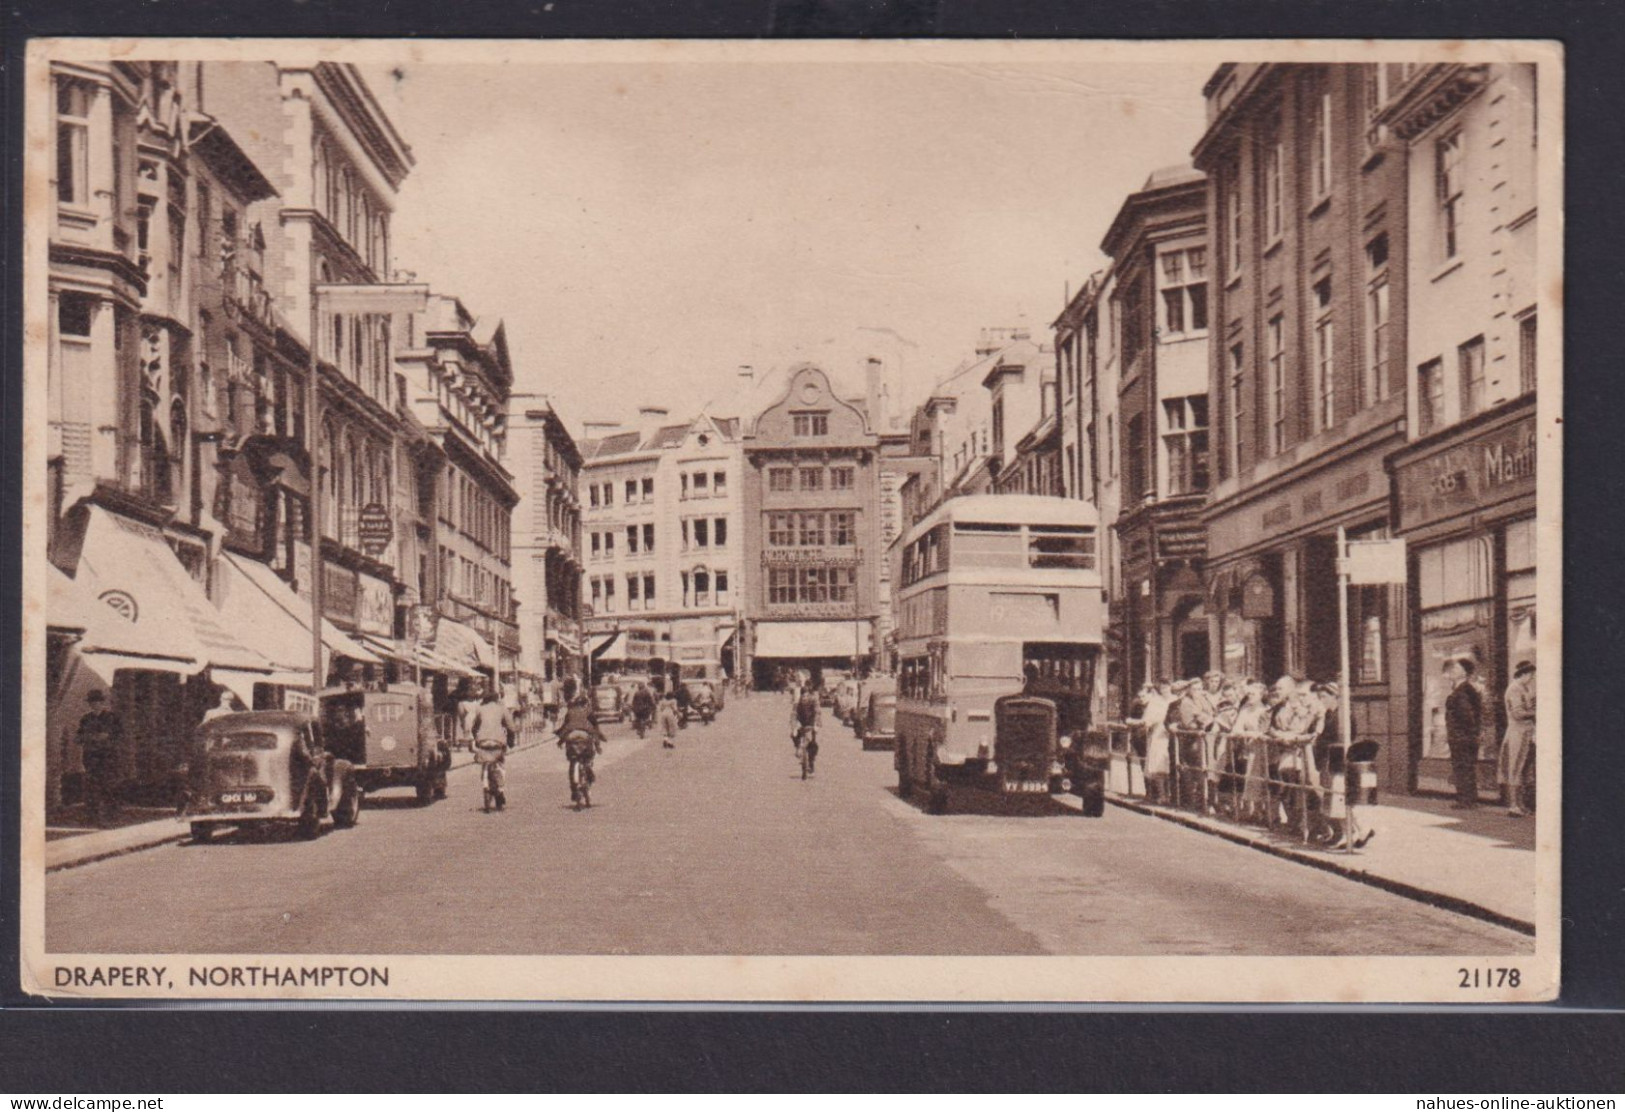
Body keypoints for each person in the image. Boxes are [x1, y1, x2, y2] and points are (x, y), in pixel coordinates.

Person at [73, 690, 123, 826]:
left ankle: (112, 818)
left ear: (102, 703)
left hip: (107, 758)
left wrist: (94, 737)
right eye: (92, 702)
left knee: (108, 787)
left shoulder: (111, 718)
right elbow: (78, 738)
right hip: (90, 759)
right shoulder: (86, 719)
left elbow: (114, 736)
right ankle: (92, 818)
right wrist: (93, 737)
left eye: (98, 702)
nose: (95, 705)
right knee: (91, 789)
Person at [1444, 656, 1485, 810]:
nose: (1452, 671)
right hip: (1465, 736)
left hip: (1462, 737)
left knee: (1463, 767)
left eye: (1456, 669)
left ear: (1464, 673)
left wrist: (1466, 734)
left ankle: (1466, 800)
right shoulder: (1465, 689)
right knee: (1466, 767)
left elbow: (1467, 715)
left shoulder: (1463, 691)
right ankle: (1468, 799)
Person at [1499, 661, 1536, 816]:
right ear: (1525, 674)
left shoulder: (1523, 688)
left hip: (1526, 733)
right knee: (1516, 768)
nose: (1532, 678)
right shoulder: (1515, 689)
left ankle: (1521, 805)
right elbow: (1518, 713)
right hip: (1518, 733)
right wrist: (1537, 712)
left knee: (1524, 769)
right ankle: (1514, 805)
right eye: (1531, 674)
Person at [469, 683, 515, 809]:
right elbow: (511, 727)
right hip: (498, 742)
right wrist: (511, 741)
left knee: (485, 762)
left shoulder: (480, 709)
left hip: (483, 742)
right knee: (500, 764)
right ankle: (500, 789)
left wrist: (475, 737)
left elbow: (474, 726)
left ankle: (489, 786)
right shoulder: (502, 709)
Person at [555, 693, 605, 806]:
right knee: (588, 757)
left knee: (572, 762)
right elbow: (595, 729)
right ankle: (589, 773)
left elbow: (565, 727)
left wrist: (560, 741)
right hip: (585, 737)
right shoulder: (588, 712)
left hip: (571, 737)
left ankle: (574, 789)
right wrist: (598, 745)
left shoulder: (570, 712)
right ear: (586, 703)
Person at [792, 684, 821, 774]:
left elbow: (817, 713)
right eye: (803, 695)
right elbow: (793, 715)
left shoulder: (813, 702)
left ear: (809, 696)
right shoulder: (798, 704)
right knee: (794, 735)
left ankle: (811, 762)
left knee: (813, 744)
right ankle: (797, 747)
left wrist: (816, 724)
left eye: (807, 695)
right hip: (801, 724)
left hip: (811, 724)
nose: (805, 698)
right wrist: (794, 726)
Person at [657, 684, 681, 749]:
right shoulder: (673, 701)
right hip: (670, 714)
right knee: (672, 728)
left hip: (663, 714)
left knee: (664, 727)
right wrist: (678, 714)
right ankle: (670, 743)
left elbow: (661, 709)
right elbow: (675, 709)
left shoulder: (662, 701)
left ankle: (665, 739)